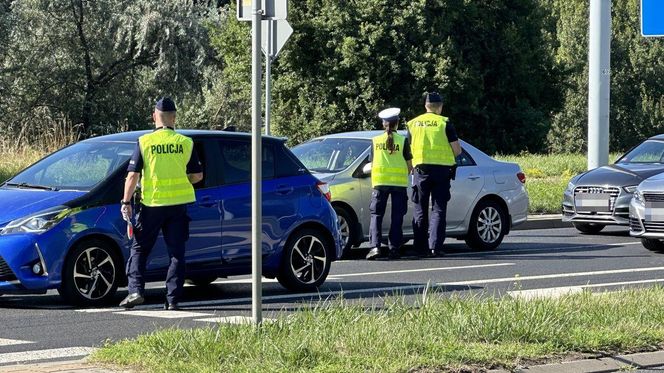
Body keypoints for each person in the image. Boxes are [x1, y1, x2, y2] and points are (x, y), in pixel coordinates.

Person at [119, 97, 203, 310]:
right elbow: (197, 176)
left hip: (152, 205)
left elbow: (132, 176)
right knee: (176, 253)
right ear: (174, 118)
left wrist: (126, 201)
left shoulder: (145, 142)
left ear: (154, 116)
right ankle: (173, 300)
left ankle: (136, 291)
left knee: (139, 248)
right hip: (178, 206)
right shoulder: (185, 142)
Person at [407, 92, 462, 258]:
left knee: (420, 209)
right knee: (438, 209)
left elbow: (408, 149)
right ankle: (435, 246)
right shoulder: (444, 123)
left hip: (420, 170)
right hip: (441, 171)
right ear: (440, 107)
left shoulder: (412, 124)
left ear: (425, 106)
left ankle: (420, 247)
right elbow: (457, 150)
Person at [366, 107, 413, 260]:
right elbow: (409, 165)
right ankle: (394, 249)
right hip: (399, 184)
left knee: (376, 215)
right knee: (397, 217)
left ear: (384, 124)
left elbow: (371, 163)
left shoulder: (375, 141)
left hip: (379, 183)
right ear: (397, 123)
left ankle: (375, 247)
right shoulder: (403, 140)